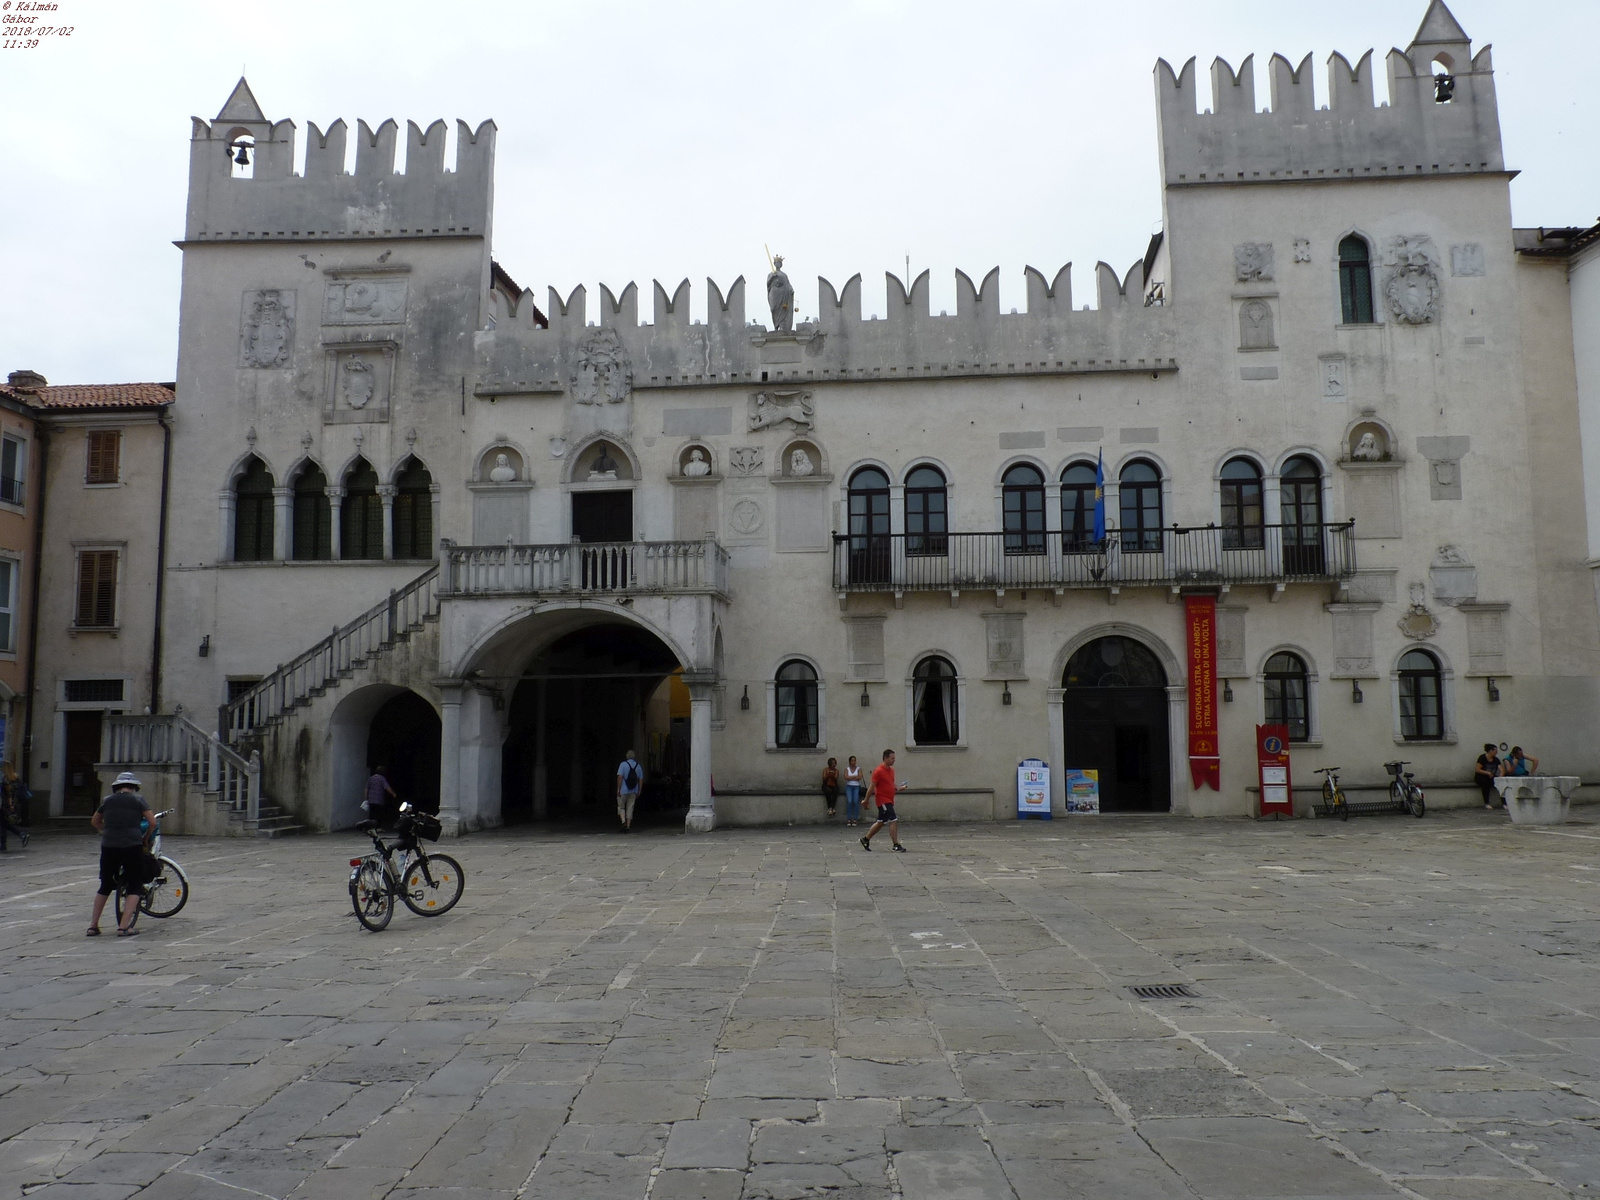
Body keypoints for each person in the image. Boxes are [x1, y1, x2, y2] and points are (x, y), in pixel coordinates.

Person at [87, 772, 155, 937]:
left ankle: (93, 925)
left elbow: (95, 821)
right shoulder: (138, 800)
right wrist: (145, 838)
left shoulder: (107, 801)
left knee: (105, 885)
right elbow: (152, 822)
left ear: (116, 787)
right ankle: (124, 927)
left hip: (109, 846)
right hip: (132, 845)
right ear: (134, 787)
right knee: (134, 884)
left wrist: (108, 830)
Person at [860, 748, 908, 852]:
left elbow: (890, 784)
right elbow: (872, 787)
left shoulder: (891, 771)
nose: (894, 760)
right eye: (892, 758)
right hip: (882, 800)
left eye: (894, 758)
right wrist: (866, 800)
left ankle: (865, 839)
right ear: (885, 758)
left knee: (881, 822)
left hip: (889, 800)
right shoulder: (878, 771)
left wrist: (899, 788)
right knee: (893, 819)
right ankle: (896, 844)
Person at [1, 761, 28, 851]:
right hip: (15, 803)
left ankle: (20, 834)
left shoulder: (5, 779)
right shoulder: (16, 777)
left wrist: (10, 804)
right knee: (4, 823)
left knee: (3, 823)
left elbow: (9, 793)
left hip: (6, 804)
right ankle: (4, 844)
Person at [616, 749, 643, 832]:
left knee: (621, 807)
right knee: (630, 808)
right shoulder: (638, 766)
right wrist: (639, 790)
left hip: (623, 790)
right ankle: (628, 826)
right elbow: (640, 779)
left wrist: (618, 788)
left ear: (626, 756)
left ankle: (623, 821)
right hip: (633, 791)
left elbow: (620, 777)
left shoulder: (623, 764)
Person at [1474, 743, 1503, 809]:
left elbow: (1501, 769)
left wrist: (1500, 777)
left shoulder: (1496, 759)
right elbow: (1477, 769)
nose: (1496, 752)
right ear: (1491, 751)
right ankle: (1486, 803)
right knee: (1486, 784)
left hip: (1491, 777)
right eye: (1495, 751)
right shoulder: (1482, 758)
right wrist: (1487, 773)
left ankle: (1504, 803)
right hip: (1481, 777)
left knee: (1501, 784)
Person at [843, 755, 864, 827]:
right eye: (852, 760)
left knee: (855, 801)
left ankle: (855, 819)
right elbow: (846, 777)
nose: (853, 762)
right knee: (849, 801)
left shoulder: (858, 769)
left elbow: (860, 777)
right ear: (849, 761)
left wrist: (851, 777)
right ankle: (849, 819)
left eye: (854, 760)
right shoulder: (847, 769)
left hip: (856, 786)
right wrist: (854, 777)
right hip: (849, 786)